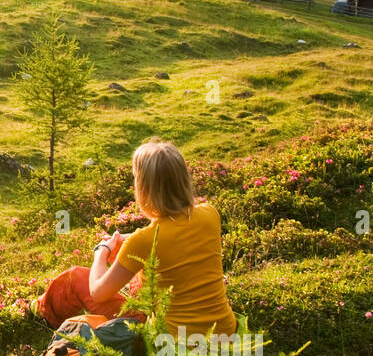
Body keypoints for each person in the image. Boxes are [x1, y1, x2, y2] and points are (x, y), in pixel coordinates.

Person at [32, 138, 236, 337]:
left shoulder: (143, 242)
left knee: (76, 278)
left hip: (176, 346)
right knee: (141, 277)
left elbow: (97, 292)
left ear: (144, 189)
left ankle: (43, 315)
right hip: (226, 333)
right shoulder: (210, 214)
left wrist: (101, 252)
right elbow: (174, 235)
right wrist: (127, 241)